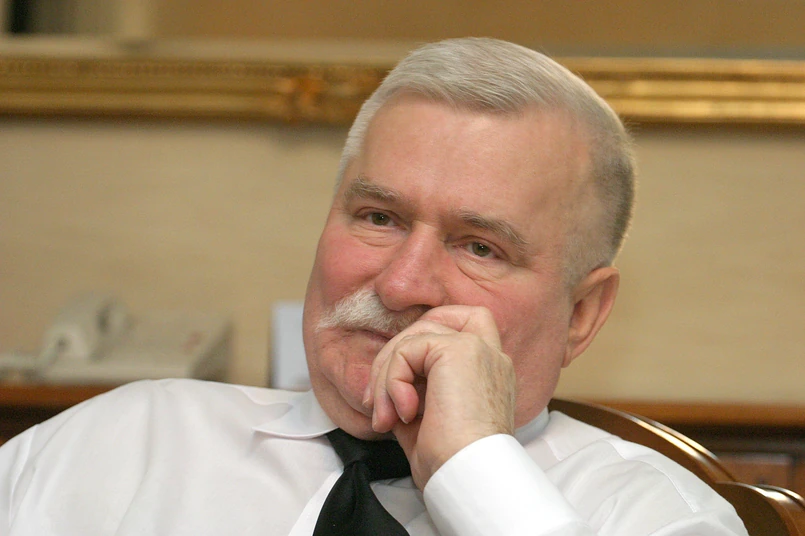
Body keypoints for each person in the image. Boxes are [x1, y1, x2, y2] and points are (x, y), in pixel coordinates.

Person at [0, 38, 747, 535]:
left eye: (479, 246)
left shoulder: (655, 515)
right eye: (379, 218)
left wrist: (473, 470)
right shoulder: (124, 442)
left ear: (581, 314)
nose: (401, 284)